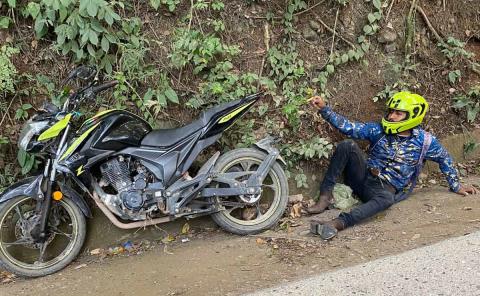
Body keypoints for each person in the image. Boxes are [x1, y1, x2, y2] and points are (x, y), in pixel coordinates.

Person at [307, 91, 478, 240]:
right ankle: (325, 196)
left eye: (398, 113)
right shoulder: (379, 129)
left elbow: (445, 158)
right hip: (363, 177)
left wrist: (456, 185)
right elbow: (350, 128)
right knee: (347, 145)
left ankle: (339, 222)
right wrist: (324, 108)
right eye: (391, 112)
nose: (391, 117)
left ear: (412, 116)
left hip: (383, 190)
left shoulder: (425, 141)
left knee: (387, 199)